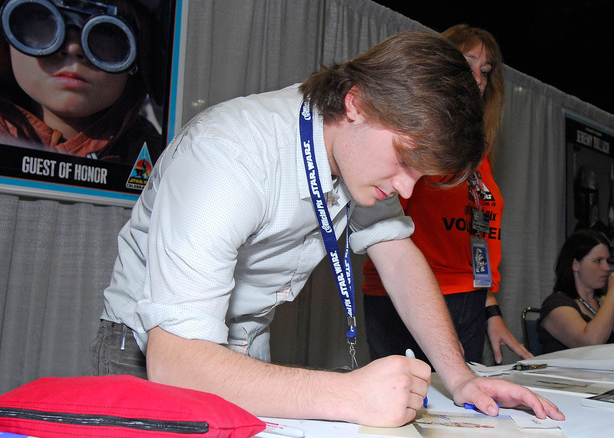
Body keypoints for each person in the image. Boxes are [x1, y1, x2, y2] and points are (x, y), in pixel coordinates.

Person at [91, 30, 564, 427]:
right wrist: (347, 393)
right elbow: (175, 364)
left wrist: (460, 376)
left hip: (246, 348)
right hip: (150, 350)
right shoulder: (228, 155)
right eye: (404, 161)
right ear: (356, 103)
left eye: (420, 174)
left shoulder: (361, 147)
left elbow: (397, 252)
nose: (405, 186)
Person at [361, 24, 531, 367]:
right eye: (468, 63)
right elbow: (383, 234)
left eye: (485, 71)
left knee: (464, 412)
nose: (479, 78)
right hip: (412, 298)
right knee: (409, 408)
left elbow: (478, 237)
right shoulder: (415, 136)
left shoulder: (478, 155)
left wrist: (491, 311)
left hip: (469, 299)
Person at [0, 0, 165, 164]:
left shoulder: (166, 172)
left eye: (105, 31)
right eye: (41, 17)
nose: (73, 47)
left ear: (145, 55)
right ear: (0, 35)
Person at [538, 229, 614, 353]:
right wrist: (613, 293)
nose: (607, 268)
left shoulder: (603, 302)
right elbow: (591, 343)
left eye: (607, 261)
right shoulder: (556, 304)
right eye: (598, 261)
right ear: (576, 264)